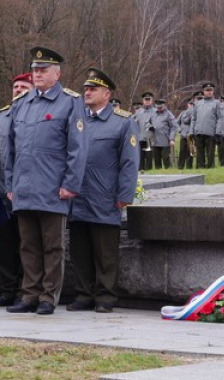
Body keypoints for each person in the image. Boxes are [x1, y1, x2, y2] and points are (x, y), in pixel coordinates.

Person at [5, 46, 87, 315]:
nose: (37, 74)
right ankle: (29, 295)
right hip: (24, 188)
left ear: (57, 73)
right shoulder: (21, 104)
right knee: (27, 245)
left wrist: (70, 184)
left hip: (53, 188)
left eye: (43, 70)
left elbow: (77, 149)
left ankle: (48, 297)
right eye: (35, 70)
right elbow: (12, 151)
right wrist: (10, 185)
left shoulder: (70, 102)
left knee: (52, 247)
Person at [66, 68, 138, 313]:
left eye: (92, 89)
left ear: (106, 94)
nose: (87, 92)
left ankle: (105, 296)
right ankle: (84, 294)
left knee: (105, 252)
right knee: (80, 250)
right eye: (85, 89)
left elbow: (129, 162)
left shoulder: (123, 121)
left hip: (105, 196)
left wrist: (124, 194)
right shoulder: (76, 120)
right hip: (78, 196)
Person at [0, 72, 31, 307]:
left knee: (28, 246)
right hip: (2, 193)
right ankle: (6, 290)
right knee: (4, 247)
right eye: (15, 86)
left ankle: (26, 291)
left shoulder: (36, 116)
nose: (18, 90)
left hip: (27, 193)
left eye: (24, 86)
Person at [191, 82, 219, 168]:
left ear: (213, 91)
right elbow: (194, 118)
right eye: (207, 90)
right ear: (203, 91)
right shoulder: (198, 104)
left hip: (211, 132)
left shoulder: (217, 103)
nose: (209, 92)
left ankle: (210, 168)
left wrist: (217, 132)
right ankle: (201, 168)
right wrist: (192, 131)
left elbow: (220, 119)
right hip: (199, 132)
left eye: (211, 90)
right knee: (200, 153)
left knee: (210, 153)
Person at [149, 98, 178, 169]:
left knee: (166, 159)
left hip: (165, 141)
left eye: (160, 107)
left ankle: (169, 173)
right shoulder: (153, 114)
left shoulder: (168, 114)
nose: (159, 109)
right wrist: (150, 126)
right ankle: (158, 175)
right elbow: (148, 122)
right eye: (157, 107)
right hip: (155, 141)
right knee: (156, 160)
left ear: (164, 105)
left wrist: (172, 139)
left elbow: (173, 127)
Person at [134, 92, 155, 171]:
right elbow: (134, 123)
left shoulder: (155, 111)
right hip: (140, 137)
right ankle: (140, 172)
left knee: (149, 157)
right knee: (140, 157)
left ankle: (149, 172)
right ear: (143, 101)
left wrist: (153, 126)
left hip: (150, 138)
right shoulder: (139, 112)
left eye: (149, 100)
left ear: (151, 100)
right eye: (146, 100)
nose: (147, 101)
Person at [177, 98, 194, 170]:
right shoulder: (182, 113)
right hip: (183, 136)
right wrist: (180, 130)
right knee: (182, 151)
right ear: (187, 104)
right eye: (190, 104)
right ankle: (180, 167)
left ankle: (189, 167)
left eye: (193, 104)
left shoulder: (196, 113)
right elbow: (176, 123)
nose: (191, 105)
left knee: (190, 152)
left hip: (192, 136)